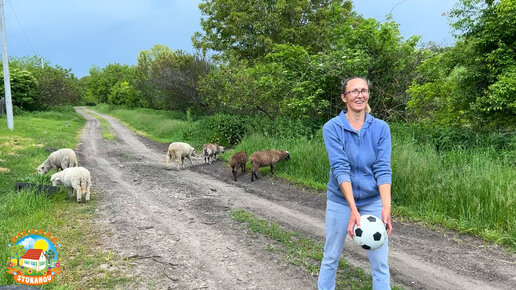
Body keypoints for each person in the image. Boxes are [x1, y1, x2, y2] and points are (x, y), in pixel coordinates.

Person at [318, 77, 393, 290]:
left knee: (380, 263)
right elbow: (340, 168)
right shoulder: (332, 128)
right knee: (331, 255)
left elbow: (383, 168)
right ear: (344, 97)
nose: (360, 95)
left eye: (364, 91)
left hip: (372, 200)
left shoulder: (381, 128)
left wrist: (386, 208)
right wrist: (352, 208)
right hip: (340, 201)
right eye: (354, 91)